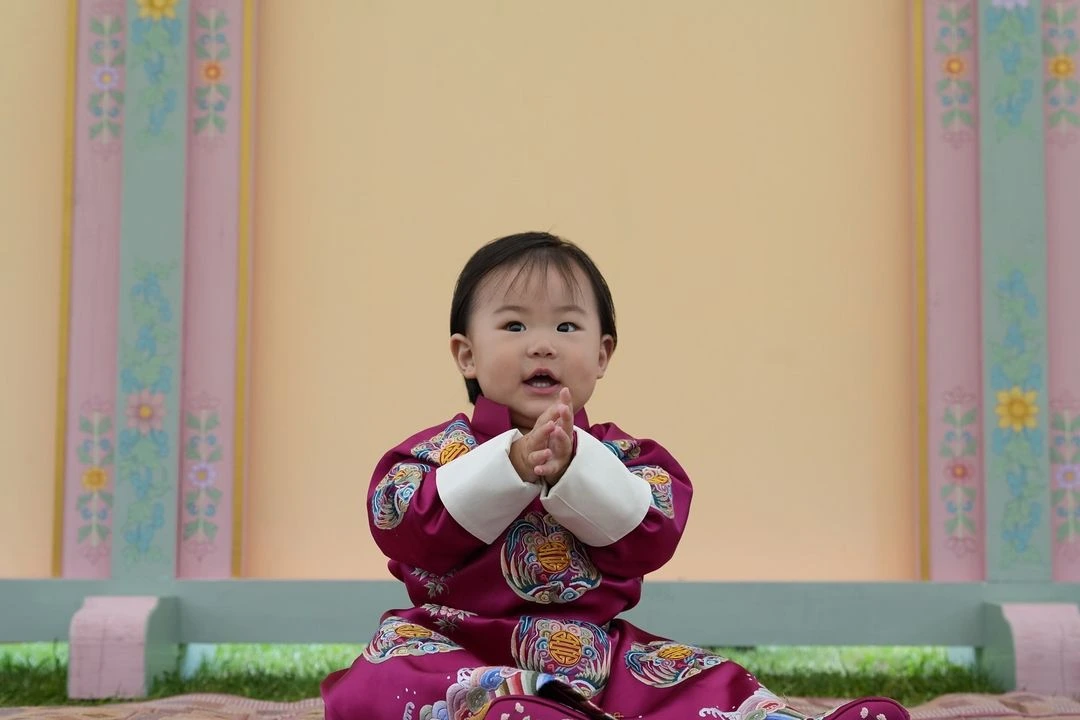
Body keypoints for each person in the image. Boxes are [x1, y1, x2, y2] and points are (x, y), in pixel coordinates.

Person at [321, 232, 909, 720]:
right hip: (457, 644)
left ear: (602, 355)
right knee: (394, 677)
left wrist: (577, 469)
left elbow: (652, 534)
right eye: (515, 327)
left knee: (696, 679)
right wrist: (511, 468)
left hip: (590, 649)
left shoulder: (629, 458)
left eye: (567, 328)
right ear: (466, 355)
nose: (543, 347)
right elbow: (399, 522)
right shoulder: (436, 454)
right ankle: (524, 707)